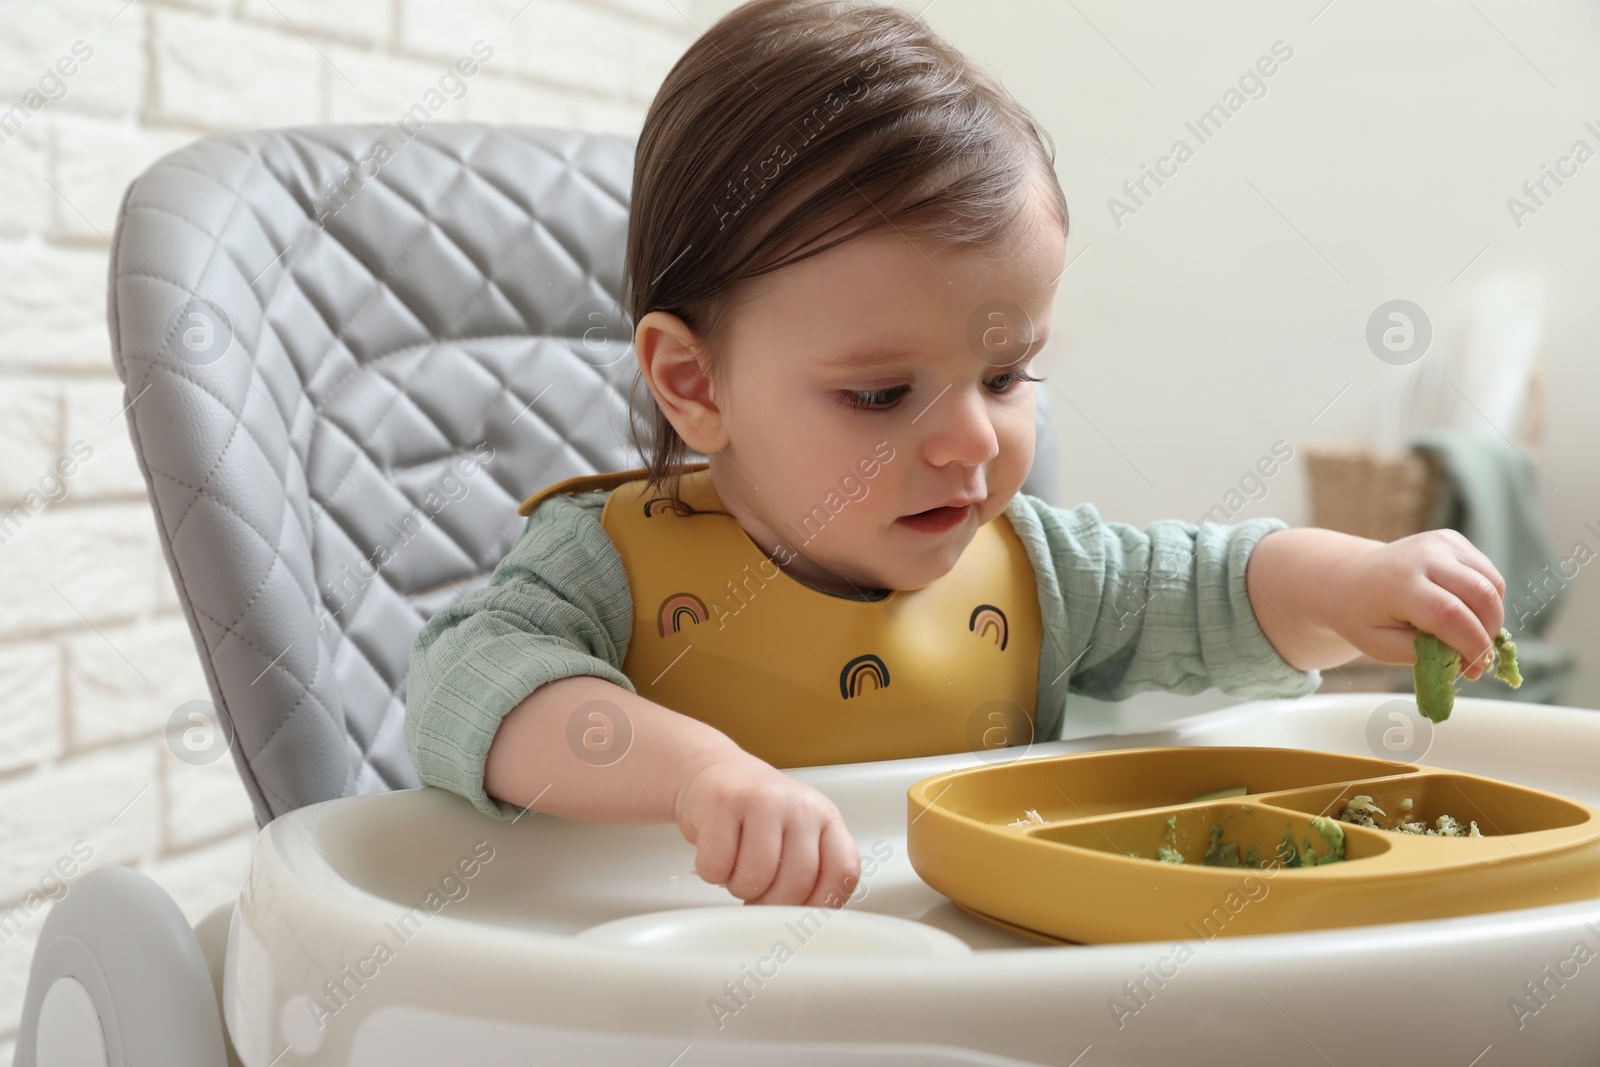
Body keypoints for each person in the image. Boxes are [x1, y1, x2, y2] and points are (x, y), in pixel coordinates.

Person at [404, 0, 1506, 913]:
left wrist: (1357, 581)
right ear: (694, 384)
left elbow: (1214, 586)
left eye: (1005, 374)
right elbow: (467, 686)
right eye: (881, 393)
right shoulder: (608, 567)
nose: (973, 440)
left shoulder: (1035, 572)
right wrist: (700, 775)